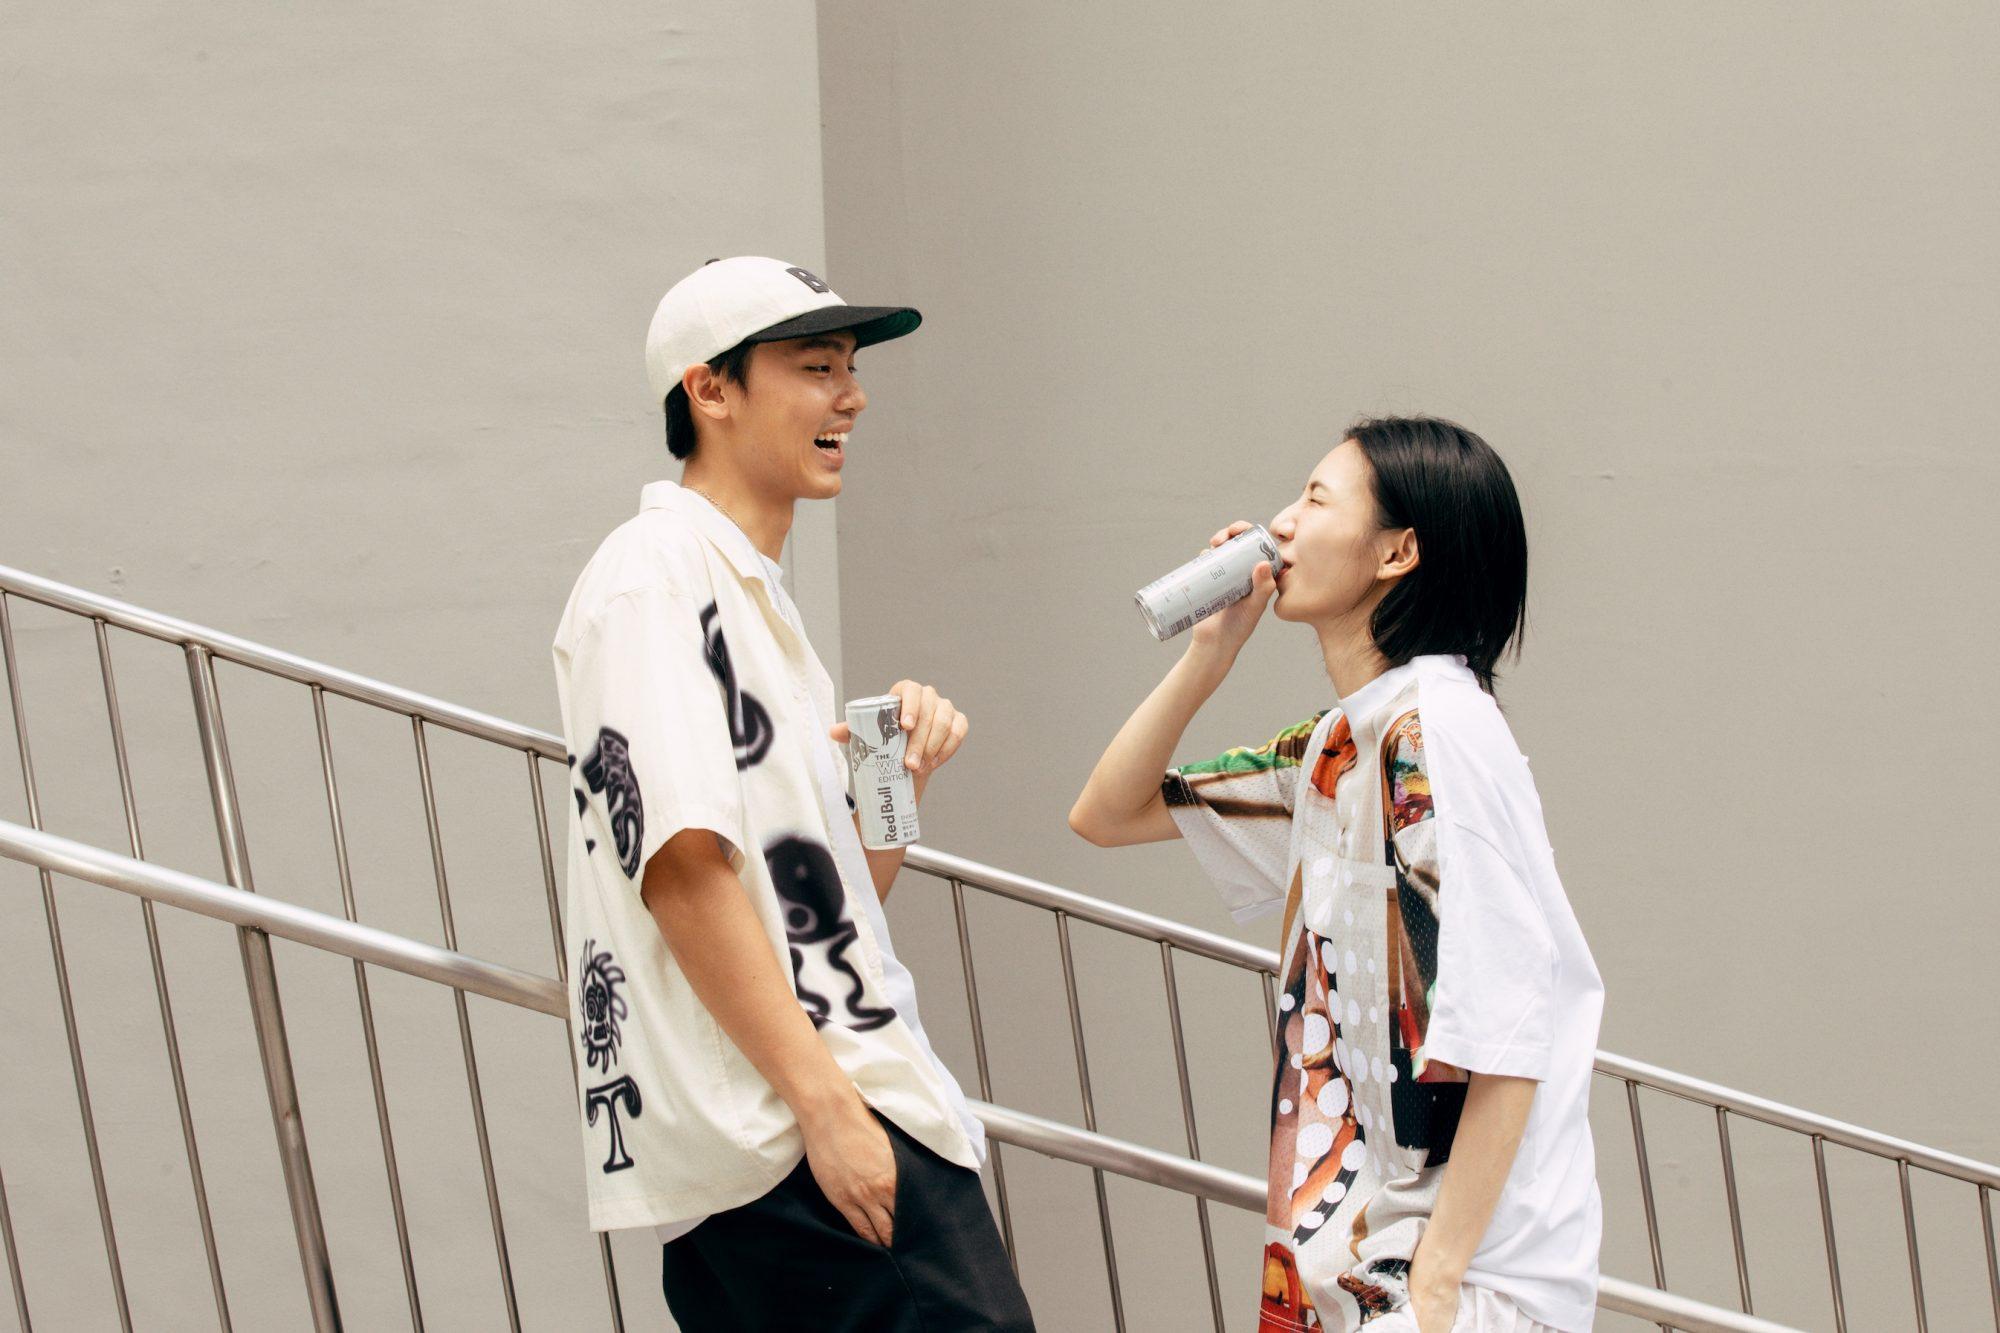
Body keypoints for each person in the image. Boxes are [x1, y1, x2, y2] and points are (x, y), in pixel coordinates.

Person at [553, 256, 1034, 1331]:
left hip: (800, 1118)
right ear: (708, 390)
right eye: (816, 368)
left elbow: (821, 908)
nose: (851, 397)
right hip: (798, 1124)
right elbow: (680, 871)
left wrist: (890, 781)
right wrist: (827, 1108)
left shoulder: (750, 600)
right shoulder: (654, 575)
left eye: (850, 368)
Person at [1069, 417, 1604, 1333]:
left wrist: (1436, 1286)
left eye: (1316, 499)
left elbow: (1515, 1018)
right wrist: (1211, 651)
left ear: (1397, 552)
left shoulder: (1432, 735)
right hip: (1357, 1268)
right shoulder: (1340, 745)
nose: (1281, 522)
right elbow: (1108, 812)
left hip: (1461, 1278)